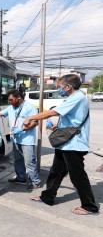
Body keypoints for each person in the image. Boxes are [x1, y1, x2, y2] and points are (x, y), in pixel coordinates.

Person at [23, 74, 99, 215]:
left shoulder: (78, 97)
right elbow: (72, 119)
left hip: (74, 145)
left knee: (78, 176)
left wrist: (31, 117)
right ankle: (48, 197)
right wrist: (56, 126)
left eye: (59, 87)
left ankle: (90, 206)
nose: (59, 90)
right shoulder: (73, 98)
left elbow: (52, 112)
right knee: (56, 172)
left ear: (68, 86)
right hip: (65, 144)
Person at [0, 89, 41, 190]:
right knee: (18, 160)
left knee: (29, 162)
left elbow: (35, 122)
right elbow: (0, 114)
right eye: (9, 100)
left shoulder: (30, 107)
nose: (10, 102)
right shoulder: (11, 107)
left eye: (11, 100)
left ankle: (35, 182)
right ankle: (21, 177)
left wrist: (22, 129)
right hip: (15, 139)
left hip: (27, 140)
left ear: (18, 97)